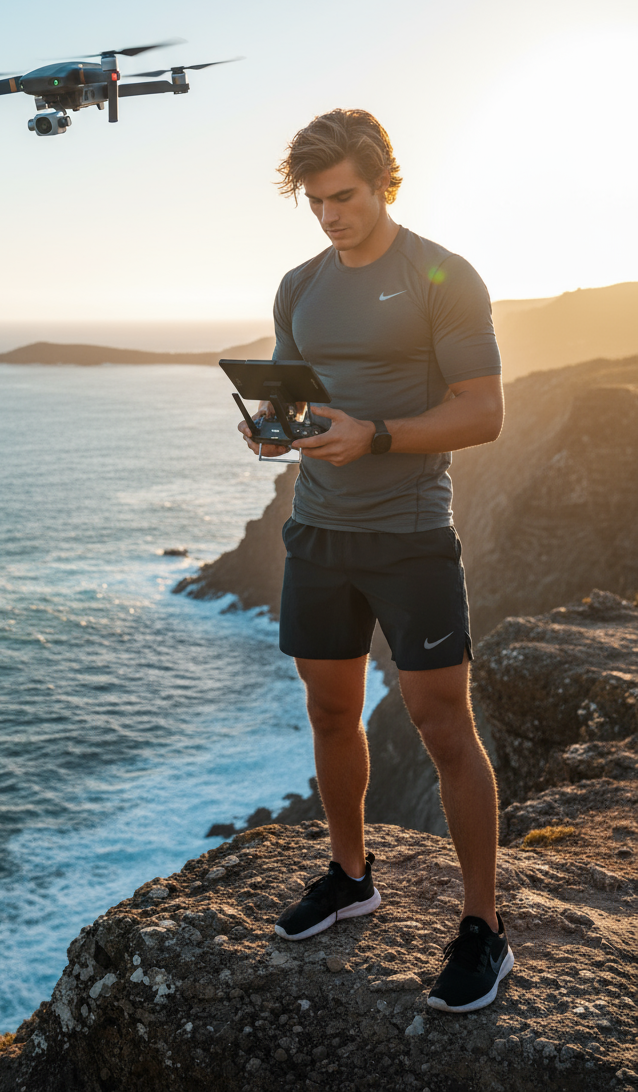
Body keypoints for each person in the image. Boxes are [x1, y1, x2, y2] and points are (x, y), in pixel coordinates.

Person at [238, 109, 512, 1014]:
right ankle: (351, 875)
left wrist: (380, 435)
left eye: (343, 197)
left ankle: (485, 928)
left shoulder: (441, 276)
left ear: (384, 182)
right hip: (317, 533)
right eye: (314, 202)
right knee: (328, 710)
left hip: (410, 535)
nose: (329, 216)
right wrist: (269, 433)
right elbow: (295, 394)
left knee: (440, 726)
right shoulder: (300, 284)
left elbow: (482, 413)